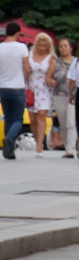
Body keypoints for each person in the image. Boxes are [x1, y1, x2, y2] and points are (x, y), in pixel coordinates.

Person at [26, 33, 59, 155]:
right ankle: (37, 139)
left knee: (41, 115)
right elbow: (24, 71)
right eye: (39, 45)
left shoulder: (51, 58)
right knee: (32, 118)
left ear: (48, 46)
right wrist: (26, 71)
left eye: (44, 46)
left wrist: (51, 81)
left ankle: (39, 146)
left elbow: (49, 75)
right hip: (31, 88)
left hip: (44, 89)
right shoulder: (29, 55)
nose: (41, 48)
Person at [0, 21, 28, 159]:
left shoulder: (0, 48)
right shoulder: (22, 47)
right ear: (17, 33)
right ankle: (10, 138)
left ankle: (9, 152)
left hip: (3, 88)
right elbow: (27, 68)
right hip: (18, 87)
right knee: (18, 119)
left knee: (8, 118)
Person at [51, 35, 74, 155]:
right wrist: (51, 81)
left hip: (73, 95)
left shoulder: (77, 62)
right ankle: (67, 147)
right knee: (63, 123)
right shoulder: (55, 62)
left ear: (70, 48)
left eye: (65, 46)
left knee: (71, 121)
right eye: (60, 46)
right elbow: (48, 78)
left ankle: (71, 148)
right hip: (59, 94)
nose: (63, 48)